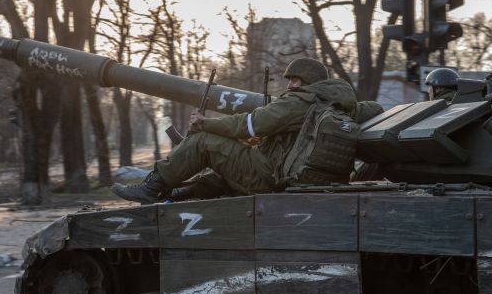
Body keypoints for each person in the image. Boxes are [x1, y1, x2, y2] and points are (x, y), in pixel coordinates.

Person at [110, 58, 358, 204]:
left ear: (309, 82)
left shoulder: (300, 101)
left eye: (295, 81)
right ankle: (176, 194)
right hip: (285, 173)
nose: (290, 86)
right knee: (225, 165)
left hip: (270, 175)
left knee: (203, 143)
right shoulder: (334, 102)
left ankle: (152, 188)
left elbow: (250, 123)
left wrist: (206, 124)